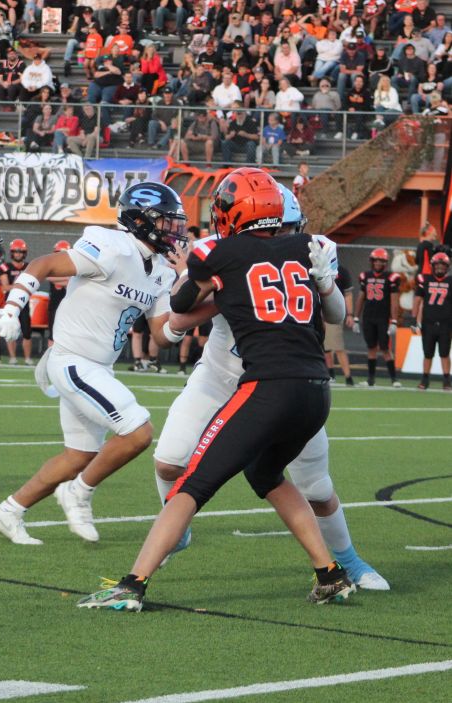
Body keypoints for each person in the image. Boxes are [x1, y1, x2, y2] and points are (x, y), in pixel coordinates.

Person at [79, 169, 357, 612]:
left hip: (266, 386)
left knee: (191, 484)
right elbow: (337, 313)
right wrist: (322, 282)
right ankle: (330, 574)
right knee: (266, 474)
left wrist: (194, 273)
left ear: (234, 214)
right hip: (315, 389)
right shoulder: (311, 248)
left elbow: (183, 304)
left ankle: (132, 583)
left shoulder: (220, 251)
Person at [151, 184, 386, 592]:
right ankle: (177, 531)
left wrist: (324, 282)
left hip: (283, 379)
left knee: (316, 487)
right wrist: (227, 296)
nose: (277, 239)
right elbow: (169, 327)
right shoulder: (214, 252)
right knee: (170, 460)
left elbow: (335, 310)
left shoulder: (313, 249)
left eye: (286, 229)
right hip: (222, 376)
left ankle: (349, 560)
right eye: (274, 229)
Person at [0, 182, 183, 545]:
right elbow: (43, 263)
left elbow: (163, 335)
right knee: (138, 431)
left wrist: (191, 302)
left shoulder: (162, 270)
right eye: (165, 221)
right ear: (140, 219)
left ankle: (8, 510)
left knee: (80, 454)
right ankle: (79, 492)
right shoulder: (113, 247)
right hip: (72, 360)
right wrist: (13, 306)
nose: (173, 230)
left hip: (98, 367)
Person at [353, 248, 402, 387]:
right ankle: (371, 380)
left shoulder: (391, 277)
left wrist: (394, 320)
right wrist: (356, 318)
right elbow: (361, 297)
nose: (378, 263)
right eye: (376, 260)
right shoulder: (365, 276)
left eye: (381, 260)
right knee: (371, 347)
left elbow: (394, 300)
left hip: (382, 317)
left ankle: (394, 379)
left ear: (385, 262)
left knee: (385, 348)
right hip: (368, 316)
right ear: (372, 261)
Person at [411, 251, 451, 390]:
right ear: (433, 265)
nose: (440, 267)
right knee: (427, 353)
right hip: (428, 323)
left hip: (446, 324)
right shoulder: (425, 279)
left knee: (444, 353)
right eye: (438, 264)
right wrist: (415, 320)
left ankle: (446, 381)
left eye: (443, 265)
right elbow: (418, 300)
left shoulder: (450, 281)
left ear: (447, 266)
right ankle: (425, 379)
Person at [0, 238, 33, 364]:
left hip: (25, 304)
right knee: (10, 330)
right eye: (16, 251)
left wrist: (18, 286)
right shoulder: (5, 267)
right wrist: (22, 286)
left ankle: (28, 358)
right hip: (11, 304)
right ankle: (12, 358)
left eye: (21, 252)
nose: (18, 254)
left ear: (24, 253)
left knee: (27, 332)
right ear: (12, 252)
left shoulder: (30, 267)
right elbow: (4, 287)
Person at [325, 259, 356, 386]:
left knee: (338, 346)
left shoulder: (340, 271)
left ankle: (348, 376)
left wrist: (350, 314)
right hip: (318, 310)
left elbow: (347, 294)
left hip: (333, 310)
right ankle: (330, 373)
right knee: (325, 346)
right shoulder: (316, 268)